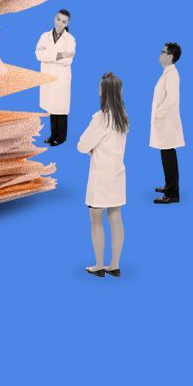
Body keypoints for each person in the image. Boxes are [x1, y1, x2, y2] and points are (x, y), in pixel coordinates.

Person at [75, 72, 129, 276]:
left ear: (104, 91)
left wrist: (91, 148)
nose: (97, 90)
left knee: (96, 219)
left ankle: (99, 265)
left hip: (101, 176)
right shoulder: (123, 117)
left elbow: (82, 145)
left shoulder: (101, 118)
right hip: (117, 173)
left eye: (100, 87)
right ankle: (114, 265)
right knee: (115, 217)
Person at [32, 9, 76, 144]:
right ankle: (53, 136)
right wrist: (58, 55)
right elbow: (38, 54)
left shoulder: (70, 39)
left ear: (67, 23)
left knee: (60, 109)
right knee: (51, 108)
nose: (60, 23)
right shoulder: (45, 36)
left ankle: (61, 137)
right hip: (49, 76)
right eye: (58, 19)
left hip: (61, 78)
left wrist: (49, 55)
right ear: (54, 18)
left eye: (64, 21)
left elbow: (68, 59)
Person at [151, 42, 184, 204]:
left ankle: (172, 194)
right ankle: (169, 185)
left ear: (170, 57)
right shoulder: (167, 73)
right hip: (165, 124)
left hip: (167, 123)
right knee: (166, 156)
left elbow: (171, 100)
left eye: (163, 52)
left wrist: (158, 115)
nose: (160, 54)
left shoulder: (172, 75)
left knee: (169, 157)